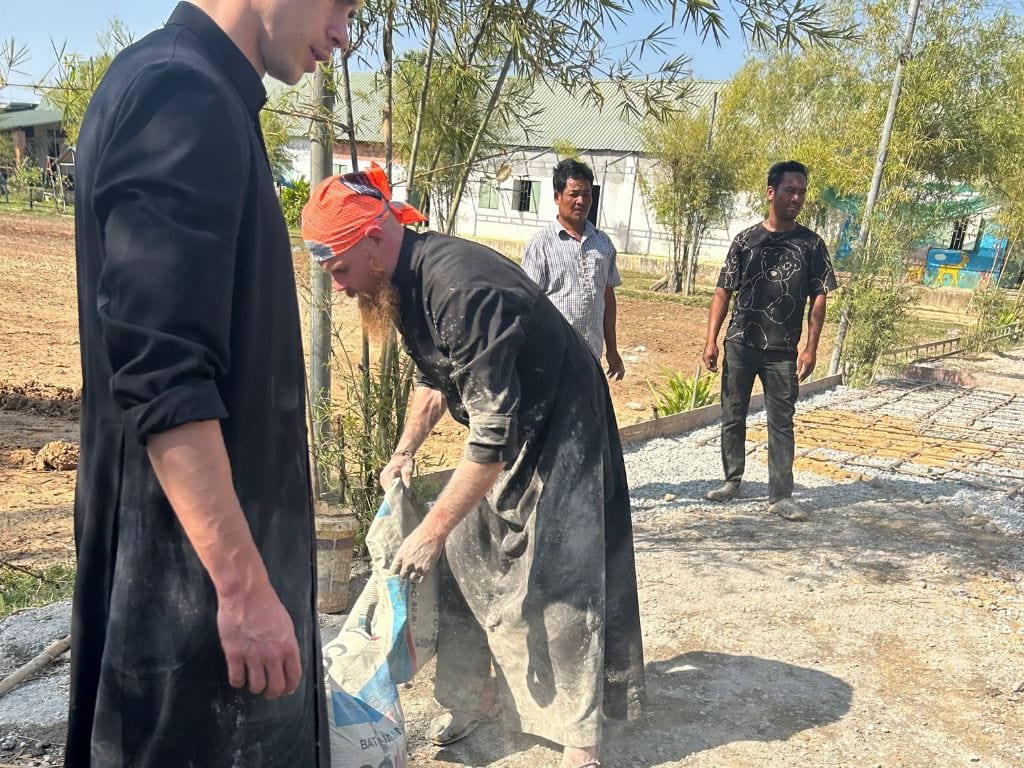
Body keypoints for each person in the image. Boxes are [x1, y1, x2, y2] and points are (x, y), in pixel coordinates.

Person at [69, 1, 355, 765]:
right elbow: (165, 377)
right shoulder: (181, 93)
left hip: (199, 601)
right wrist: (243, 587)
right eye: (341, 6)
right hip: (185, 609)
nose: (343, 35)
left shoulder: (207, 93)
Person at [301, 168, 647, 768]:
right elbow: (434, 380)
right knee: (466, 550)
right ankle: (477, 696)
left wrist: (429, 528)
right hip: (515, 424)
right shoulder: (403, 285)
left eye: (340, 270)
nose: (339, 287)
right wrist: (405, 449)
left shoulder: (459, 288)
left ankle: (581, 740)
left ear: (375, 241)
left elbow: (490, 435)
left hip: (564, 422)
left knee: (562, 571)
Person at [702, 160, 837, 522]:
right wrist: (711, 340)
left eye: (802, 192)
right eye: (790, 190)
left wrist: (811, 346)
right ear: (771, 191)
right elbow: (722, 291)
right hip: (741, 343)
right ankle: (732, 480)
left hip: (782, 352)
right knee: (733, 415)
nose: (797, 197)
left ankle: (781, 495)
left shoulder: (811, 245)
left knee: (782, 421)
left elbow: (820, 296)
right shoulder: (746, 240)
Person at [522, 158, 625, 379]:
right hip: (551, 356)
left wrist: (612, 350)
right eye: (573, 194)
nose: (581, 200)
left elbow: (608, 298)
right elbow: (528, 303)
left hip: (591, 355)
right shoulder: (541, 244)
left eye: (586, 194)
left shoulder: (603, 243)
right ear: (557, 197)